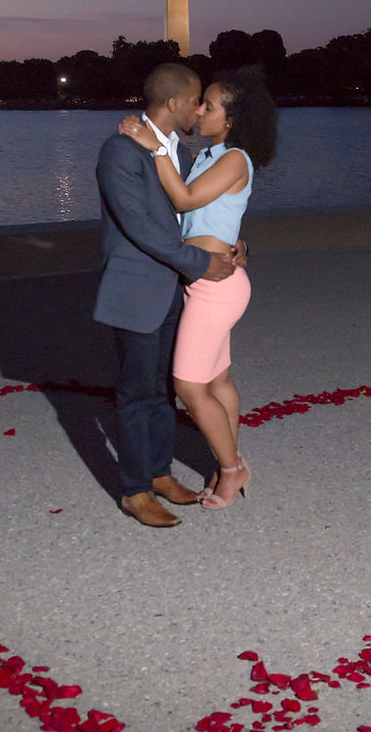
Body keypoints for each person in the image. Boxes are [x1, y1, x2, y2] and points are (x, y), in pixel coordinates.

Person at [118, 67, 278, 509]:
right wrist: (240, 242)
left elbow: (185, 202)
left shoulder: (233, 158)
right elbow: (212, 217)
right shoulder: (209, 155)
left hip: (216, 287)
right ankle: (232, 459)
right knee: (219, 379)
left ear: (230, 119)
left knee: (189, 386)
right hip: (210, 278)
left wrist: (155, 151)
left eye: (208, 105)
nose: (199, 110)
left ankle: (231, 469)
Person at [95, 63, 239, 528]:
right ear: (174, 103)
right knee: (137, 394)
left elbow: (199, 214)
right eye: (197, 99)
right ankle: (135, 491)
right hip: (137, 290)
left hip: (174, 291)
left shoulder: (181, 151)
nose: (200, 108)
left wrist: (236, 245)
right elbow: (140, 228)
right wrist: (201, 264)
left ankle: (159, 473)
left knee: (163, 391)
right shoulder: (120, 150)